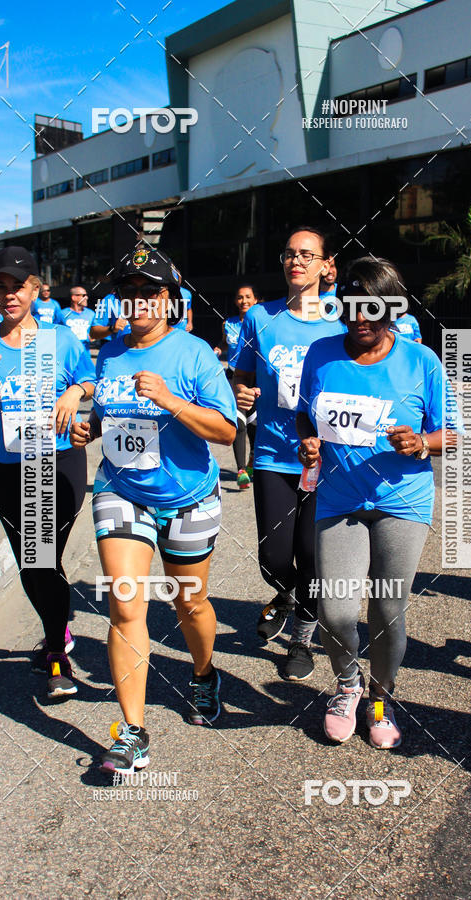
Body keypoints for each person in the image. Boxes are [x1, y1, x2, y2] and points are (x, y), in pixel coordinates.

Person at [71, 246, 236, 775]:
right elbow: (108, 416)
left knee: (189, 604)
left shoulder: (194, 355)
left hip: (188, 496)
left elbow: (227, 431)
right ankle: (132, 734)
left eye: (150, 293)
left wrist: (171, 400)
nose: (138, 302)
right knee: (126, 604)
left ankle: (205, 673)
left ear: (169, 300)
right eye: (130, 293)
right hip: (122, 491)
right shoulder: (112, 353)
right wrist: (89, 428)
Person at [296, 257, 457, 748]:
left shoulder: (421, 360)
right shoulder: (321, 354)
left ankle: (381, 696)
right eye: (351, 308)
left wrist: (421, 443)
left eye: (372, 309)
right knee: (337, 610)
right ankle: (347, 685)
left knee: (387, 611)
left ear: (391, 309)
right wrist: (309, 442)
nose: (360, 319)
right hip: (339, 500)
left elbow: (453, 433)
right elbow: (306, 415)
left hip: (401, 501)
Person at [0, 247, 95, 699]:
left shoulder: (59, 340)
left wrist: (75, 390)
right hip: (6, 465)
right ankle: (58, 635)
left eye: (18, 286)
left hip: (58, 460)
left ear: (36, 289)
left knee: (40, 555)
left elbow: (91, 378)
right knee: (33, 560)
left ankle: (56, 652)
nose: (9, 295)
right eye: (0, 286)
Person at [233, 226, 346, 681]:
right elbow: (239, 376)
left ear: (325, 265)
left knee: (314, 557)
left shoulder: (343, 321)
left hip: (329, 461)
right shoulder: (260, 318)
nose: (295, 260)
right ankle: (283, 594)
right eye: (288, 253)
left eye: (306, 254)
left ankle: (300, 640)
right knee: (275, 559)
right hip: (273, 456)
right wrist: (241, 393)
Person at [214, 283, 259, 489]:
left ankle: (251, 460)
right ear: (235, 301)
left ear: (256, 300)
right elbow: (225, 343)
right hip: (234, 376)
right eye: (240, 297)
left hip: (256, 377)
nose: (244, 301)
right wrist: (218, 348)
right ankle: (241, 470)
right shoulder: (228, 323)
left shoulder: (261, 323)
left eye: (248, 297)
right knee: (238, 422)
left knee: (254, 425)